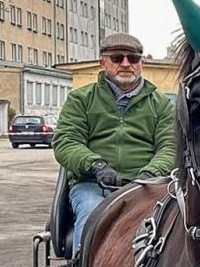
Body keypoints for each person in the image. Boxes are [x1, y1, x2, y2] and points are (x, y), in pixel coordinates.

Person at [51, 32, 175, 248]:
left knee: (174, 226)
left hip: (148, 185)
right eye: (117, 58)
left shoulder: (161, 104)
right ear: (103, 62)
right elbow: (67, 141)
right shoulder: (81, 99)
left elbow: (170, 145)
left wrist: (150, 174)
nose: (126, 64)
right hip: (94, 184)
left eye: (133, 58)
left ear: (141, 63)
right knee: (93, 214)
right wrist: (96, 165)